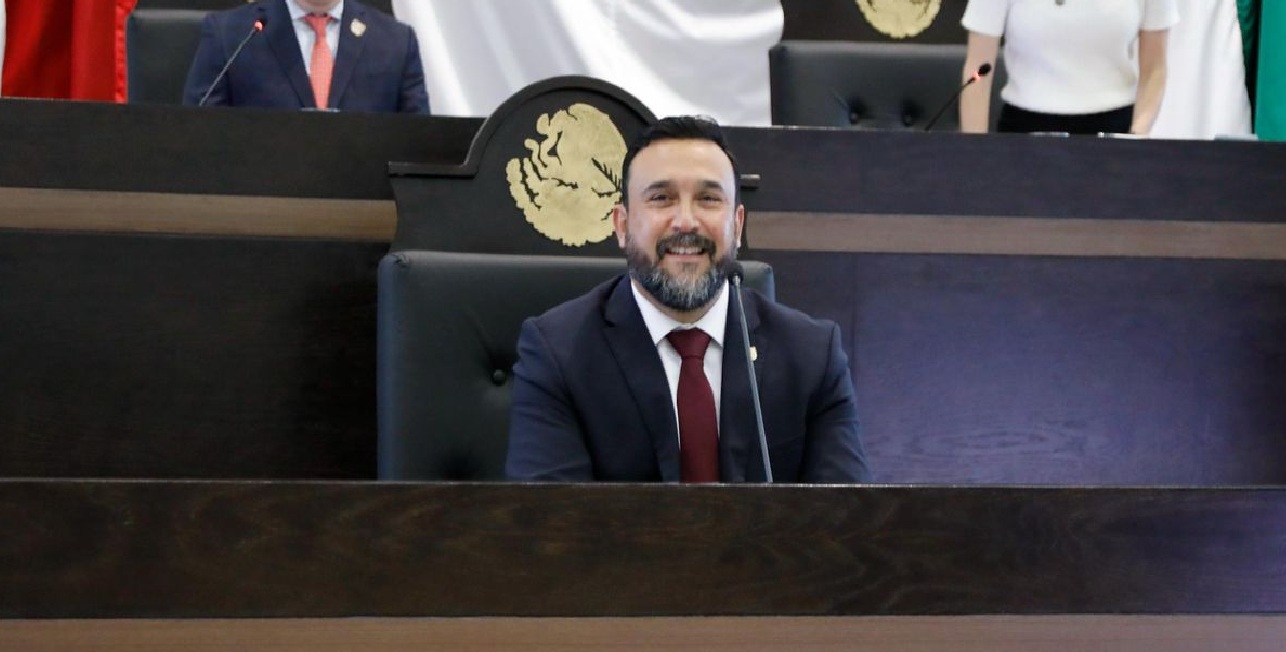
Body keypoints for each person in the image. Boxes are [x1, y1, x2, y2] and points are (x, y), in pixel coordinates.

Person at [506, 116, 872, 484]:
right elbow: (552, 516)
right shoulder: (558, 354)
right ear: (622, 225)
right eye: (661, 198)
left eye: (708, 199)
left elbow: (847, 514)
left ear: (737, 225)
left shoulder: (812, 355)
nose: (685, 222)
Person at [959, 0, 1178, 135]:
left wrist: (1137, 134)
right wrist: (975, 156)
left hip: (1116, 131)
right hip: (1025, 130)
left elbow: (1155, 69)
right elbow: (978, 70)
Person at [183, 0, 429, 113]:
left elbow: (417, 143)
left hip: (367, 197)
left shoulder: (396, 41)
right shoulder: (231, 33)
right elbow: (199, 129)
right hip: (259, 195)